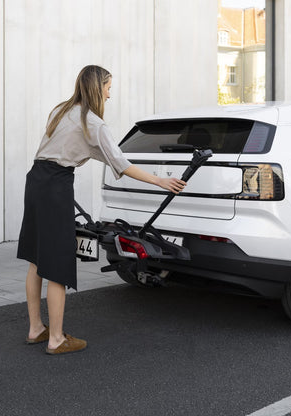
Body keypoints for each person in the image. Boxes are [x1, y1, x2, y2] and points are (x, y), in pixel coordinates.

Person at [17, 65, 186, 355]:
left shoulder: (61, 110)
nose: (110, 93)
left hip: (36, 180)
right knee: (57, 261)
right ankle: (56, 339)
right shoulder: (93, 123)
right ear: (97, 87)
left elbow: (98, 153)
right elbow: (121, 163)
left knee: (36, 258)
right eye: (108, 87)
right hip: (56, 185)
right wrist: (160, 180)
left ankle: (36, 329)